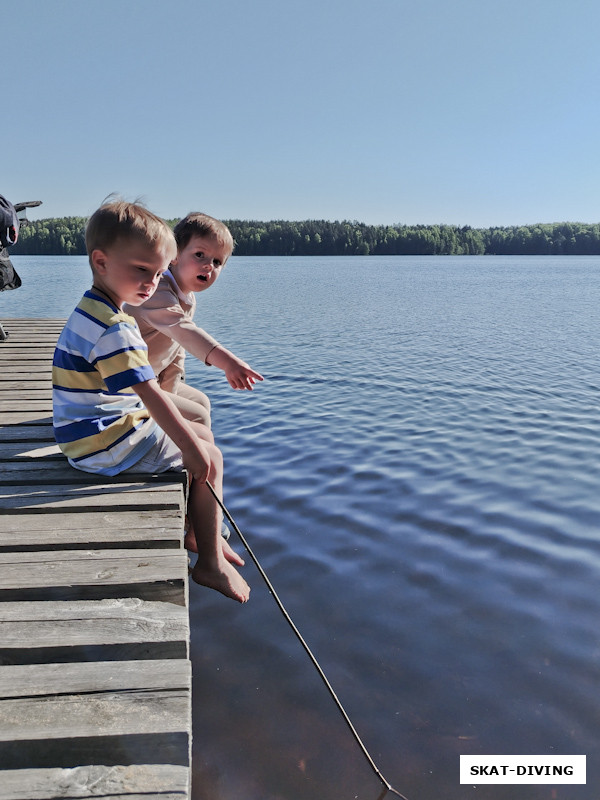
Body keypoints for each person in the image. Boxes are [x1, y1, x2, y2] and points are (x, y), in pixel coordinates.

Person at [52, 199, 250, 603]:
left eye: (158, 272)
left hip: (84, 436)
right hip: (103, 446)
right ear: (101, 261)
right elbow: (150, 395)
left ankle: (199, 528)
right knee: (210, 458)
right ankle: (210, 562)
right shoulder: (116, 327)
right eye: (142, 270)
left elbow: (163, 373)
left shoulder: (91, 309)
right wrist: (194, 452)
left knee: (198, 433)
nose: (151, 282)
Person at [124, 212, 263, 429]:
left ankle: (174, 445)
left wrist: (167, 396)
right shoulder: (156, 291)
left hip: (149, 381)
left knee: (201, 402)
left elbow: (176, 352)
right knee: (198, 416)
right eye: (200, 255)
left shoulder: (187, 298)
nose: (209, 265)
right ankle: (175, 459)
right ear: (174, 255)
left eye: (217, 262)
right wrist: (228, 362)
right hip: (121, 385)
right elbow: (184, 331)